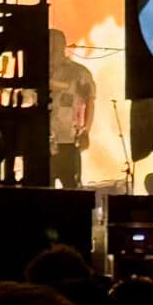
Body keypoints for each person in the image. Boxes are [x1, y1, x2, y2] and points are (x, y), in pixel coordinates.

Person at [49, 29, 95, 189]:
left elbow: (90, 101)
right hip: (42, 139)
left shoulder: (78, 73)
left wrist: (86, 130)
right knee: (43, 186)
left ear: (63, 46)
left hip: (67, 139)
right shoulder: (37, 72)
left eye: (55, 45)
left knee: (70, 184)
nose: (51, 49)